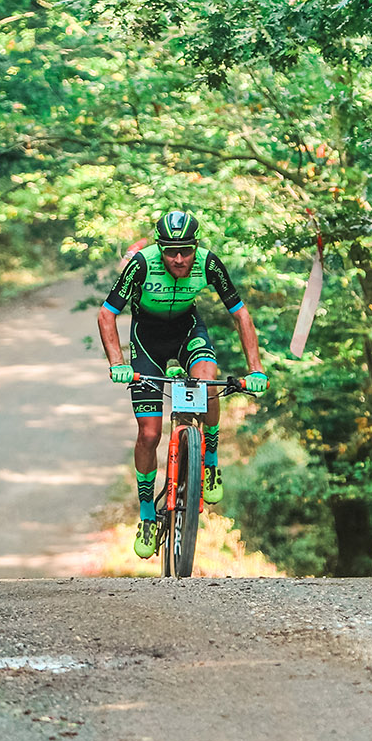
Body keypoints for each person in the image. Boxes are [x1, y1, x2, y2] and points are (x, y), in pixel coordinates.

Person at [97, 210, 268, 558]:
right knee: (148, 434)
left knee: (207, 381)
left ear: (196, 246)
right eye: (171, 251)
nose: (178, 259)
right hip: (147, 340)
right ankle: (146, 516)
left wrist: (256, 369)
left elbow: (241, 313)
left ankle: (211, 460)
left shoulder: (209, 263)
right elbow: (106, 314)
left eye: (186, 251)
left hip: (187, 331)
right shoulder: (141, 265)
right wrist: (118, 363)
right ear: (160, 248)